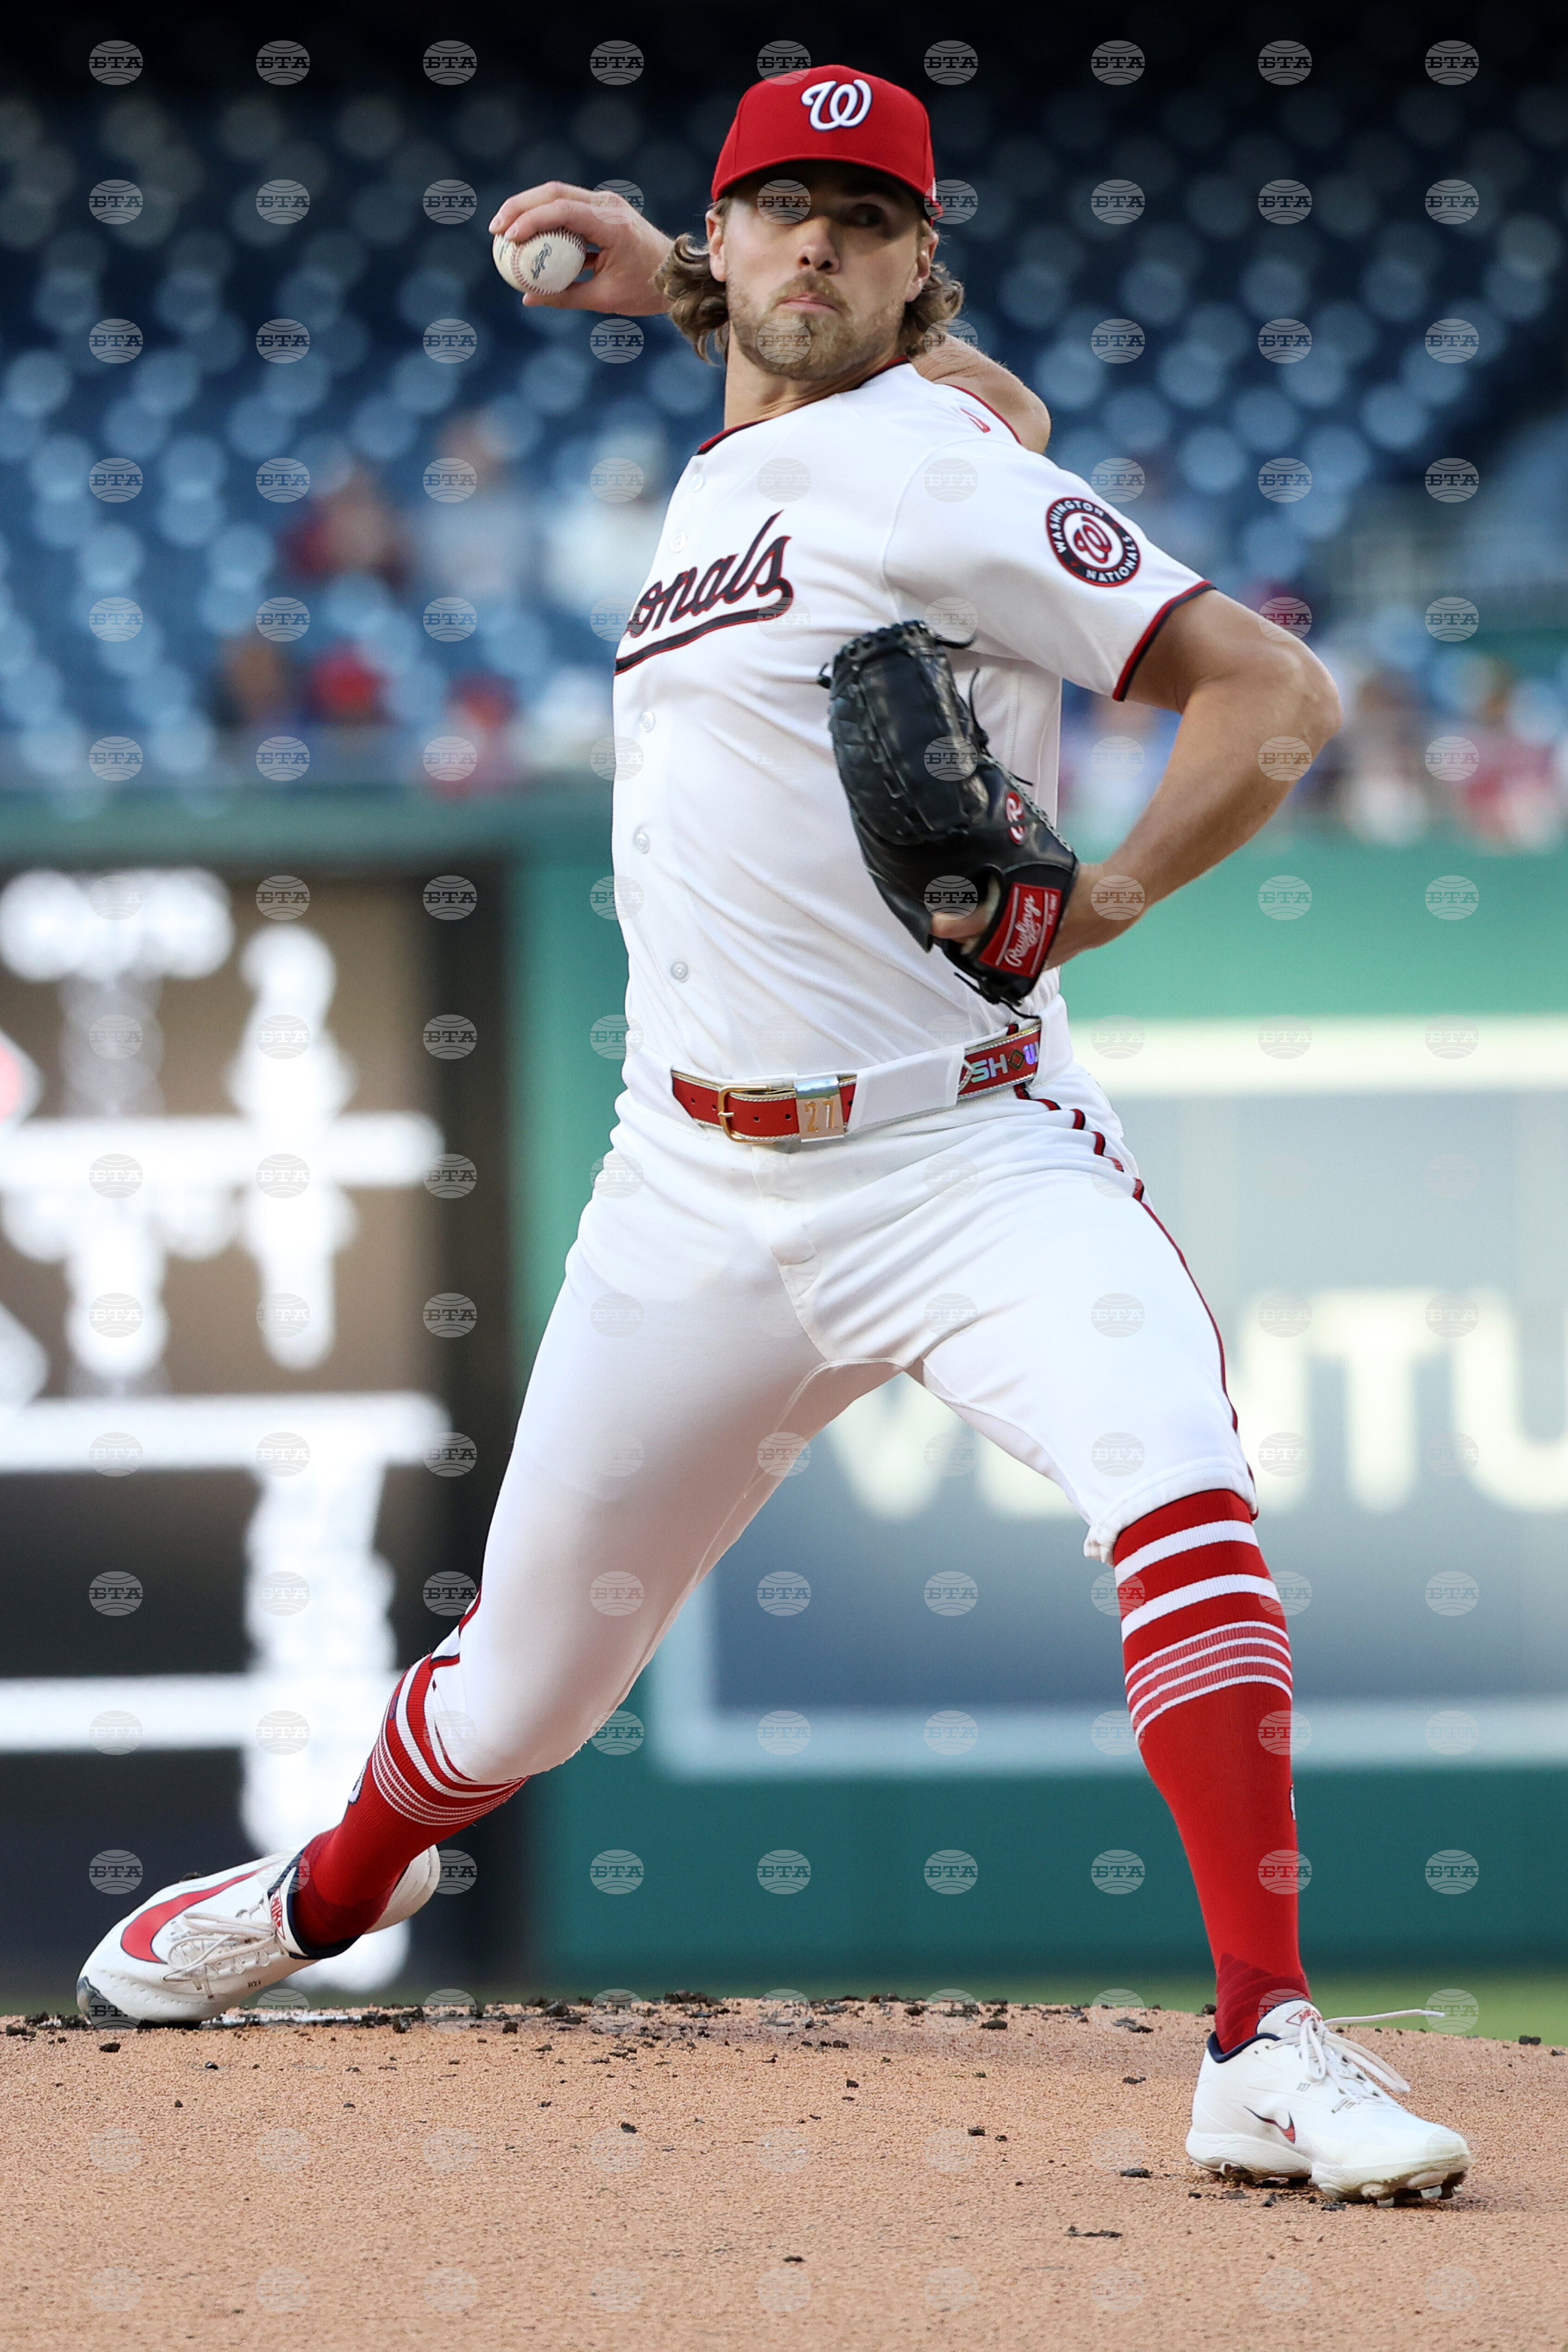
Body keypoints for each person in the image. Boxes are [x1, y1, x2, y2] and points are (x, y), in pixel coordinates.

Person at [84, 64, 1470, 2206]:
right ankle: (328, 1894)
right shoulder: (763, 458)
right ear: (720, 239)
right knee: (516, 1698)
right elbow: (918, 396)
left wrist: (1091, 901)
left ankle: (1260, 2037)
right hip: (691, 1187)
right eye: (775, 209)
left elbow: (1263, 692)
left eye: (860, 214)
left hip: (964, 1154)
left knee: (1176, 1476)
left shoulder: (934, 465)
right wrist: (670, 297)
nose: (813, 241)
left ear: (923, 261)